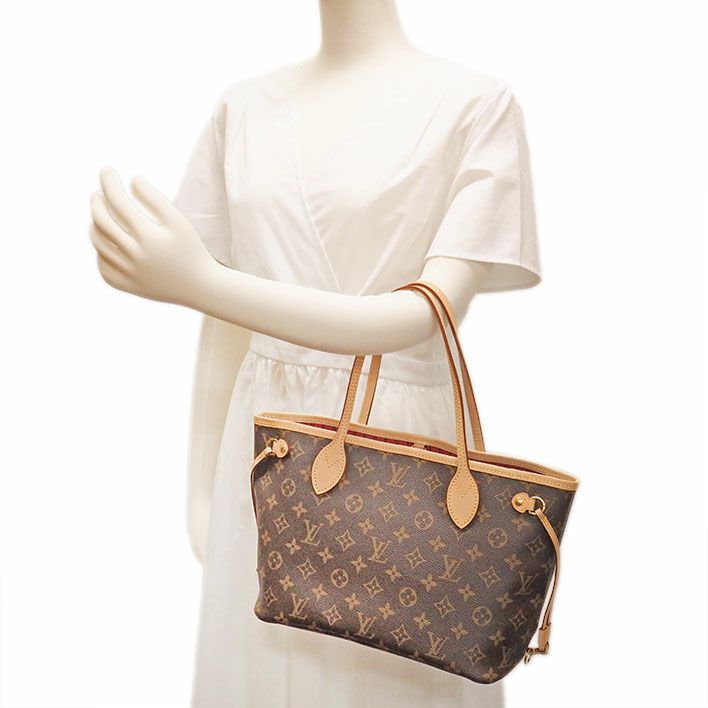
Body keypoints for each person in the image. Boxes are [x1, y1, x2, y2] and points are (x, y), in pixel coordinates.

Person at [88, 1, 540, 705]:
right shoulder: (242, 109)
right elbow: (229, 322)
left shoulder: (474, 105)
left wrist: (198, 282)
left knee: (387, 673)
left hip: (397, 452)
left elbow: (426, 314)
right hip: (261, 450)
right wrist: (201, 490)